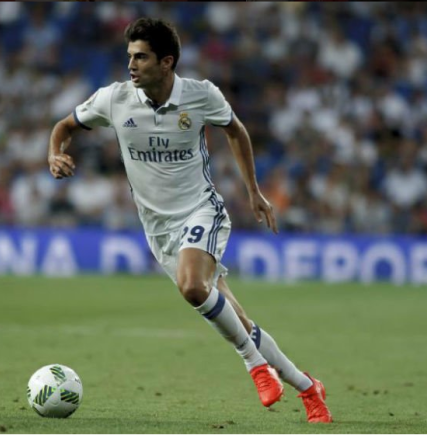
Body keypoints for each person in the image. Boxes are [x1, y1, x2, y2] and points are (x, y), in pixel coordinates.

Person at [47, 17, 332, 423]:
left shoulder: (200, 96)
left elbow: (235, 130)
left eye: (141, 57)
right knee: (238, 320)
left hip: (201, 209)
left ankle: (255, 366)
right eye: (129, 56)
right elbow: (64, 127)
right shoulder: (114, 99)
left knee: (192, 287)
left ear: (167, 62)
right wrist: (54, 153)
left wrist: (253, 190)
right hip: (157, 229)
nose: (131, 65)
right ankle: (308, 388)